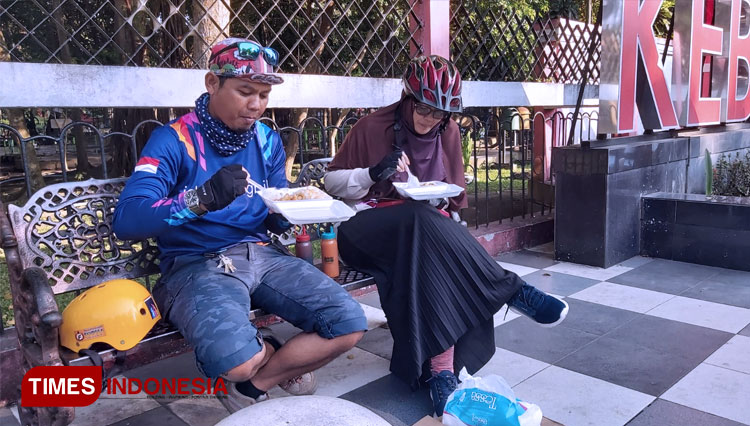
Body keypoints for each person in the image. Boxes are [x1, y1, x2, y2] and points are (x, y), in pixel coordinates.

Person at [113, 38, 367, 413]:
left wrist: (293, 211)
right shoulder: (174, 140)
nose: (256, 105)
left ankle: (253, 385)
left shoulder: (266, 140)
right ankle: (266, 355)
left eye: (263, 95)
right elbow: (129, 217)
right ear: (212, 83)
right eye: (245, 91)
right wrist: (202, 198)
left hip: (264, 254)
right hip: (196, 263)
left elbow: (273, 204)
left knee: (349, 323)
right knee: (236, 361)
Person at [325, 55, 569, 416]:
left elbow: (452, 200)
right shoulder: (371, 126)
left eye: (439, 113)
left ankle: (442, 374)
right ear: (408, 98)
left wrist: (433, 196)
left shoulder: (449, 132)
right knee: (420, 221)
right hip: (364, 231)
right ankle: (512, 289)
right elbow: (332, 184)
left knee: (433, 246)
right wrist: (373, 172)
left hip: (421, 232)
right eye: (423, 108)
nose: (429, 119)